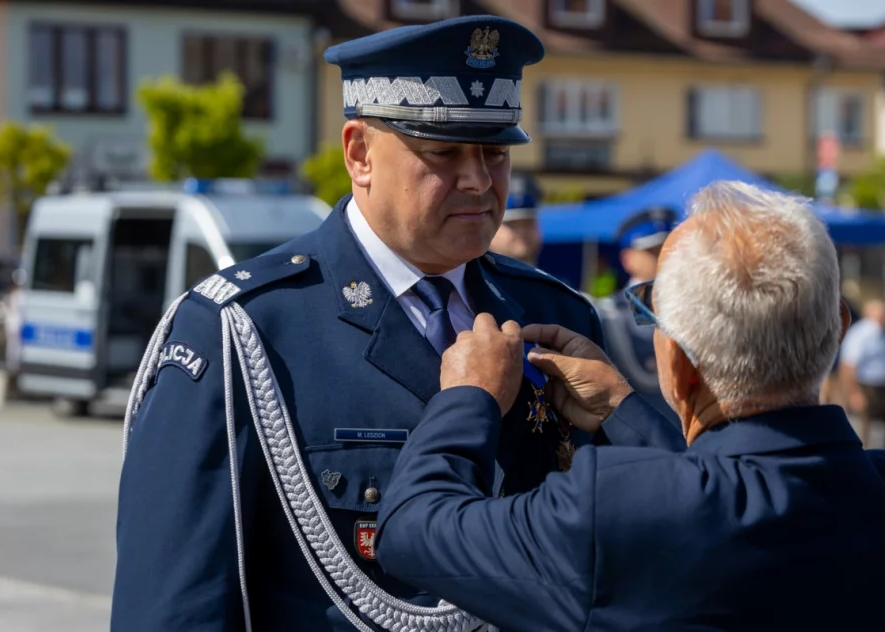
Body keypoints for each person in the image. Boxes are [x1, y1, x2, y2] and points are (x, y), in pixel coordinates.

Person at [111, 15, 654, 632]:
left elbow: (631, 550)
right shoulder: (244, 332)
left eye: (495, 152)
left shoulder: (554, 313)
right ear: (359, 153)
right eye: (443, 152)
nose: (479, 179)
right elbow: (174, 608)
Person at [375, 181, 885, 631]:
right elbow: (740, 492)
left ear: (676, 362)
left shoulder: (614, 509)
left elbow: (411, 530)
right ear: (839, 328)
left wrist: (470, 396)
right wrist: (621, 407)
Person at [595, 206, 678, 421]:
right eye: (653, 251)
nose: (664, 257)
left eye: (669, 248)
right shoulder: (609, 314)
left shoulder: (696, 305)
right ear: (627, 258)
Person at [839, 298, 885, 449]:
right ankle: (863, 456)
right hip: (865, 384)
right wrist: (854, 393)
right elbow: (848, 365)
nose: (884, 315)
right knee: (865, 428)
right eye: (880, 312)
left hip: (884, 385)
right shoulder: (860, 334)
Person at [488, 172, 543, 266]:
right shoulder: (468, 274)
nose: (522, 231)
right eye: (511, 224)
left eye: (528, 223)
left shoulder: (556, 274)